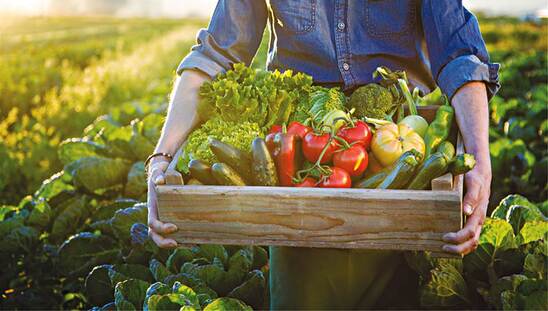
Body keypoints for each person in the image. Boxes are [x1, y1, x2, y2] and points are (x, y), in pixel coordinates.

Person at [146, 1, 499, 309]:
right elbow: (215, 54)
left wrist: (480, 161)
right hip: (301, 170)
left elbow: (459, 55)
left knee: (407, 291)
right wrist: (162, 157)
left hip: (406, 149)